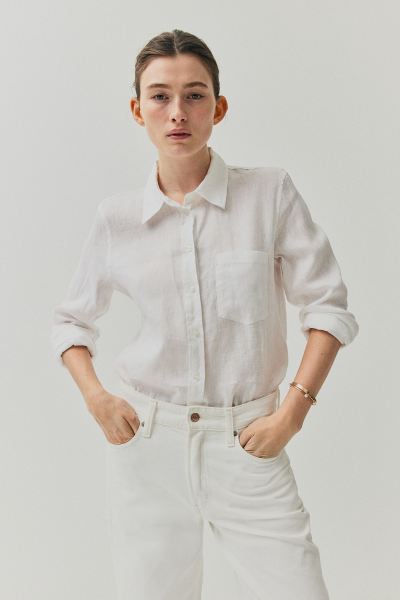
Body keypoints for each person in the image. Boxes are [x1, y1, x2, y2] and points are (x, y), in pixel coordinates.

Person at [50, 29, 359, 600]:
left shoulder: (269, 194)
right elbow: (71, 323)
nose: (177, 112)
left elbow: (328, 308)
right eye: (160, 96)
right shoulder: (118, 218)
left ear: (218, 107)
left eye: (194, 95)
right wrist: (97, 399)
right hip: (148, 448)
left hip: (248, 443)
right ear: (137, 109)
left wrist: (293, 413)